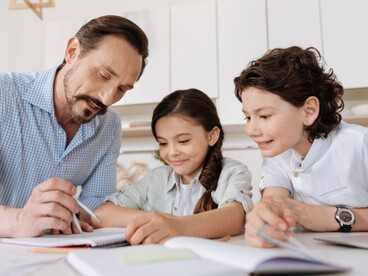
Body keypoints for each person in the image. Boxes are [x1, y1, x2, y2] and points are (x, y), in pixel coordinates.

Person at [0, 15, 148, 238]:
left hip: (59, 252)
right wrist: (19, 221)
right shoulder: (5, 95)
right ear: (72, 51)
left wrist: (161, 220)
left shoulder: (109, 125)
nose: (107, 98)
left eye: (122, 89)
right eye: (103, 75)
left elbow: (95, 206)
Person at [233, 46, 368, 248]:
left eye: (264, 116)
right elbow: (275, 202)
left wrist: (320, 216)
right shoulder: (277, 151)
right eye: (247, 117)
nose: (251, 130)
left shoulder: (359, 143)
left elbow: (305, 213)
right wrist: (266, 221)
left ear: (309, 111)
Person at [93, 88, 253, 245]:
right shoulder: (156, 179)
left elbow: (234, 217)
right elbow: (101, 214)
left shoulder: (232, 172)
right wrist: (155, 221)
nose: (172, 152)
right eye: (163, 143)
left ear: (212, 136)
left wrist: (174, 224)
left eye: (183, 141)